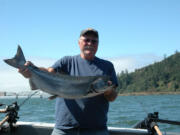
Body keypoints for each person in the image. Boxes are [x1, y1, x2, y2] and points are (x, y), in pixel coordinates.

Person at [18, 28, 118, 135]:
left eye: (94, 41)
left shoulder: (107, 66)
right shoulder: (67, 61)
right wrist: (32, 69)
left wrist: (108, 90)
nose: (90, 43)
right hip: (64, 129)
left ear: (98, 44)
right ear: (79, 43)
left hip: (96, 130)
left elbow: (112, 97)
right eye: (86, 40)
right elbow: (48, 71)